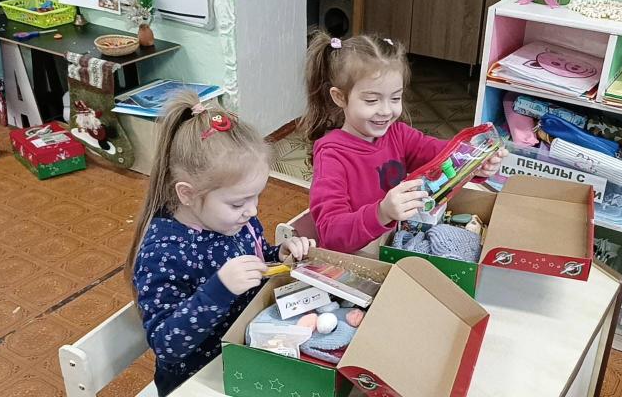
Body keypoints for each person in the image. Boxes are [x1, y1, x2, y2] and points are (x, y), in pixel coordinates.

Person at [124, 92, 313, 395]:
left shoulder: (234, 220)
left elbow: (257, 257)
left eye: (256, 197)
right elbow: (166, 345)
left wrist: (279, 255)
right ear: (186, 194)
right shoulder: (163, 253)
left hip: (246, 353)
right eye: (239, 202)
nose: (252, 211)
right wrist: (219, 290)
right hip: (198, 381)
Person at [300, 32, 506, 254]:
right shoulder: (331, 155)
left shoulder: (398, 134)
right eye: (371, 100)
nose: (387, 111)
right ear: (340, 97)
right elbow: (330, 234)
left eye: (395, 98)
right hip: (356, 257)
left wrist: (476, 161)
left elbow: (443, 156)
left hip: (394, 247)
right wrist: (381, 212)